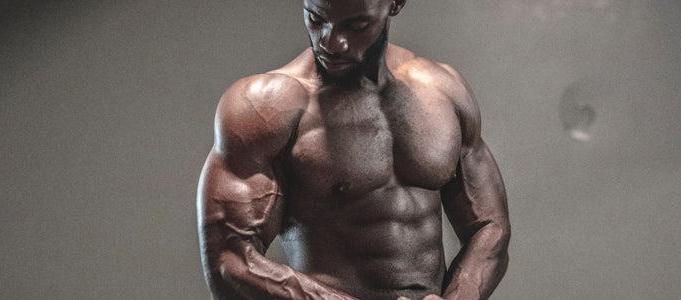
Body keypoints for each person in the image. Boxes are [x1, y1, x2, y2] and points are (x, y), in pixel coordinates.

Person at [197, 1, 510, 299]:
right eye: (317, 19)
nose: (331, 43)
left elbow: (489, 227)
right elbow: (229, 262)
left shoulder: (444, 90)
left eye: (355, 24)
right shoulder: (265, 106)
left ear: (395, 3)